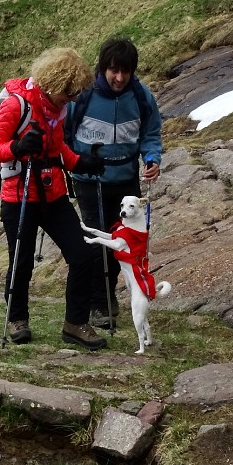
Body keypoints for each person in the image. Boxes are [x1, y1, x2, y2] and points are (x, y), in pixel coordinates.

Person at [0, 47, 108, 349]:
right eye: (68, 92)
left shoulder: (57, 109)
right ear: (53, 83)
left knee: (83, 254)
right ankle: (17, 319)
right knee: (22, 262)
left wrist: (80, 162)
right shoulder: (17, 106)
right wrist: (17, 147)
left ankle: (75, 324)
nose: (72, 99)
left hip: (53, 194)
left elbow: (57, 147)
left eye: (75, 93)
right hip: (19, 195)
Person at [66, 38, 164, 328]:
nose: (119, 78)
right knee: (100, 244)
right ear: (102, 68)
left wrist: (152, 158)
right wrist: (73, 162)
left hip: (126, 182)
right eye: (113, 71)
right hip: (88, 180)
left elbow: (151, 132)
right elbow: (65, 132)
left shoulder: (141, 96)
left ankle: (108, 297)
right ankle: (100, 304)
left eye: (126, 71)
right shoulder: (83, 96)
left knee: (126, 245)